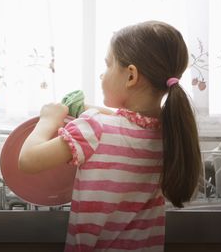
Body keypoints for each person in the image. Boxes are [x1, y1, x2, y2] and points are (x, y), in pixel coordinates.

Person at [18, 21, 202, 252]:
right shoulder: (168, 132)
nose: (101, 74)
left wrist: (48, 120)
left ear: (131, 76)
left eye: (107, 65)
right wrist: (85, 109)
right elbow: (129, 120)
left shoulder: (95, 128)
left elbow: (28, 160)